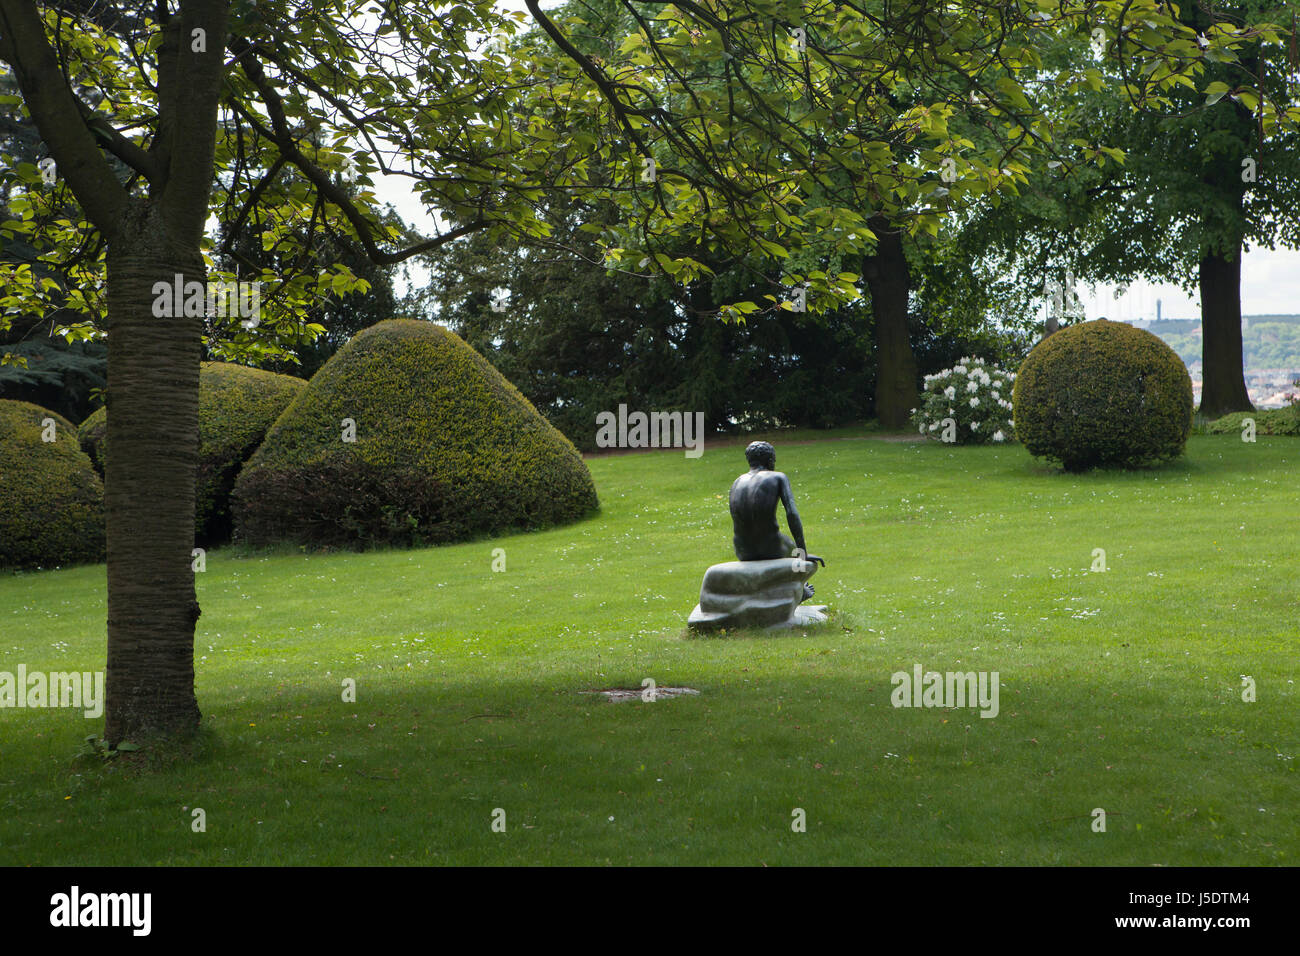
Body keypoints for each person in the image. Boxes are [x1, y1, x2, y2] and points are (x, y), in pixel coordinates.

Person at [729, 441, 824, 598]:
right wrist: (802, 552)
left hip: (742, 550)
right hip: (771, 547)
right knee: (795, 550)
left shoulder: (737, 482)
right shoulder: (778, 477)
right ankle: (799, 589)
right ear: (770, 460)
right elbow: (792, 514)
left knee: (780, 542)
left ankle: (793, 589)